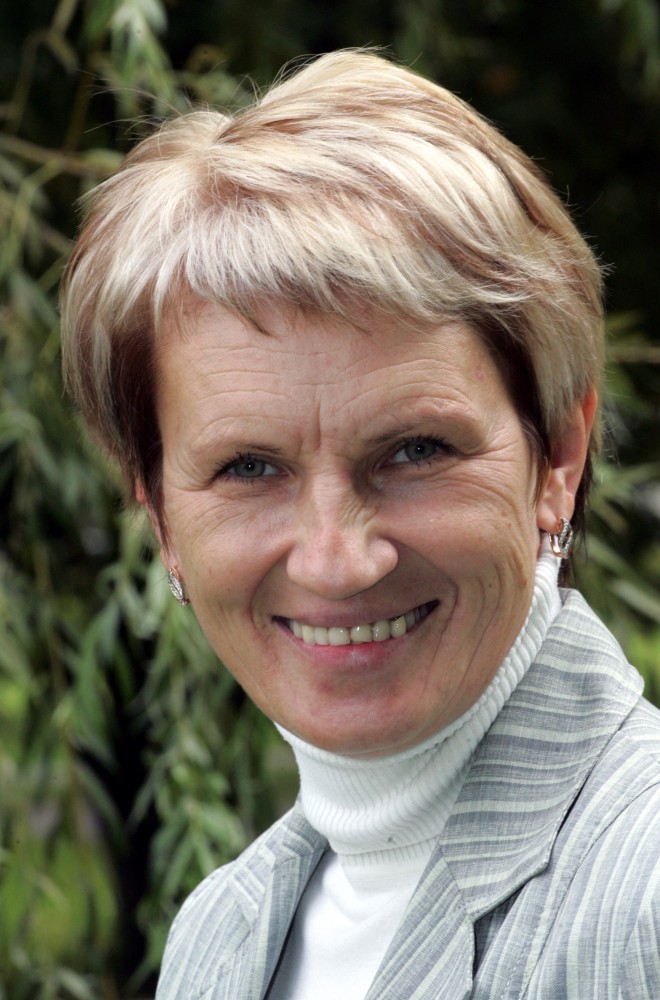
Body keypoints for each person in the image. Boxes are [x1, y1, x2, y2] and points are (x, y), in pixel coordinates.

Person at [60, 49, 660, 999]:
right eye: (249, 467)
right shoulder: (215, 941)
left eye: (414, 451)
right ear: (161, 516)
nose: (338, 562)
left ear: (558, 456)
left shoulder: (641, 893)